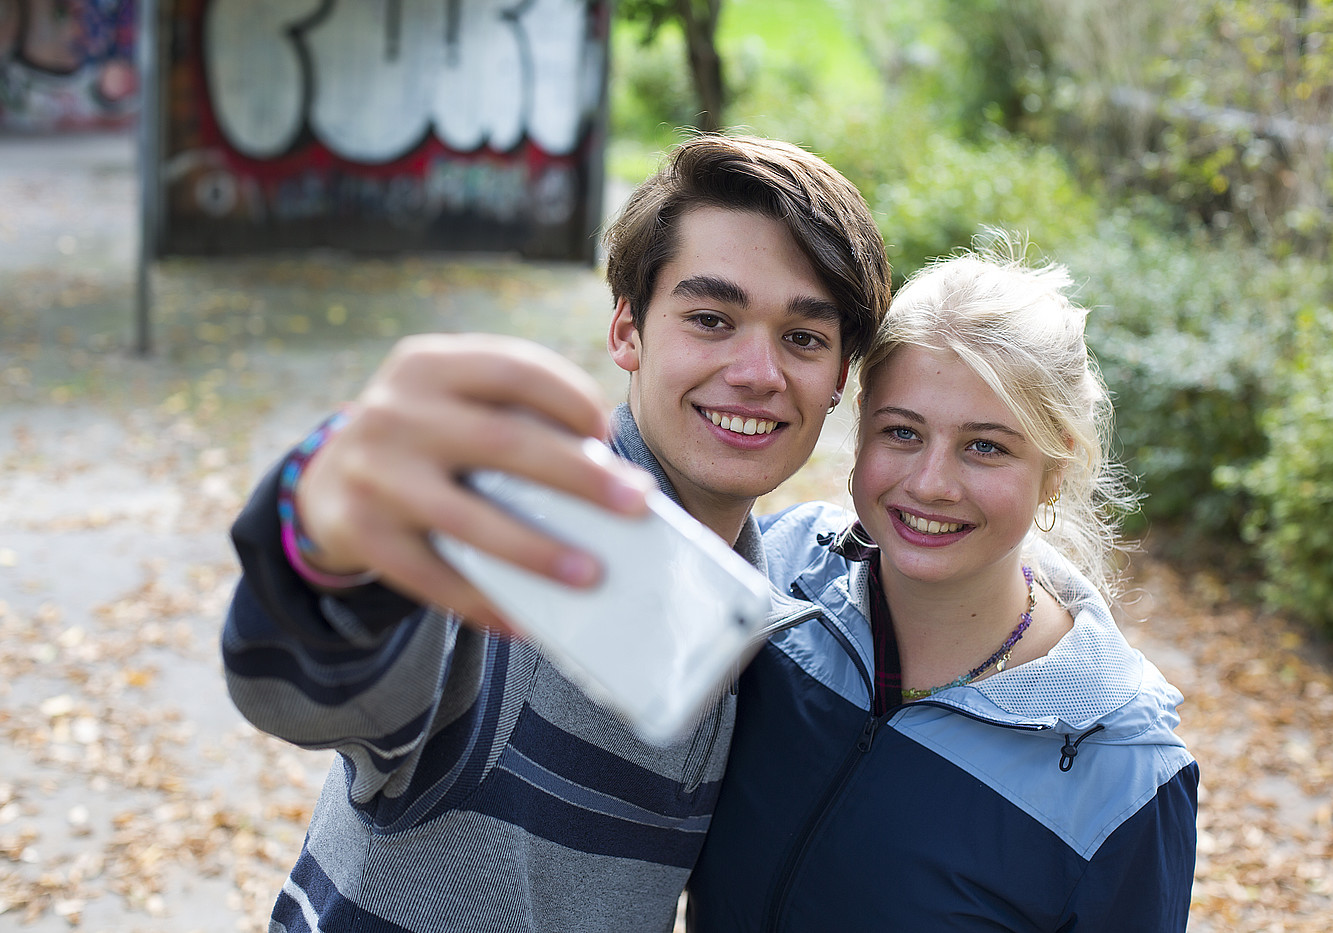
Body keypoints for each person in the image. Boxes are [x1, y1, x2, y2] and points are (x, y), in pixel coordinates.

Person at [221, 133, 891, 933]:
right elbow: (305, 690)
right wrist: (320, 534)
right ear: (627, 331)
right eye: (711, 318)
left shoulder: (765, 591)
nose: (758, 371)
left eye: (804, 338)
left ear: (840, 377)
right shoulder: (524, 542)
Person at [685, 233, 1199, 931]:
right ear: (861, 426)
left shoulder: (1124, 772)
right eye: (902, 432)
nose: (930, 484)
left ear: (1056, 467)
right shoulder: (777, 576)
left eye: (985, 446)